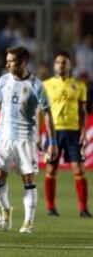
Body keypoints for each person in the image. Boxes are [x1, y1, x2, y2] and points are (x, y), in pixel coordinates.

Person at [0, 46, 58, 233]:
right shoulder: (3, 80)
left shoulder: (36, 85)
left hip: (25, 139)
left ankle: (28, 223)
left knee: (28, 180)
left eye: (11, 61)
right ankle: (6, 210)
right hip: (3, 138)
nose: (7, 64)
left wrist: (52, 142)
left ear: (23, 62)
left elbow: (47, 114)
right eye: (7, 60)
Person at [41, 51, 91, 217]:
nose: (61, 65)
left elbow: (82, 111)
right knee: (51, 168)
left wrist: (83, 130)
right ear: (54, 65)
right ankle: (50, 207)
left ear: (70, 65)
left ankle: (83, 209)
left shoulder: (79, 85)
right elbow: (39, 111)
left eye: (64, 62)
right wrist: (36, 134)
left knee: (78, 169)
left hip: (73, 132)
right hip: (53, 132)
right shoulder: (46, 85)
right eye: (58, 62)